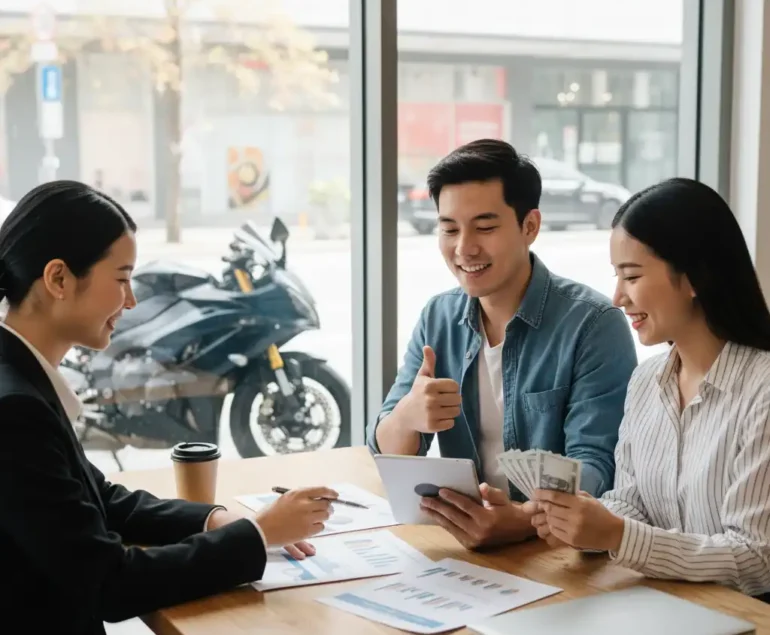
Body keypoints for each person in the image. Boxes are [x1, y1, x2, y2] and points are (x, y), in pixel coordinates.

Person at [0, 181, 338, 634]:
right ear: (59, 279)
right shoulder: (16, 410)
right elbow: (110, 582)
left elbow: (99, 499)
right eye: (121, 279)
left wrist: (215, 518)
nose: (131, 300)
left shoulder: (22, 377)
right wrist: (257, 538)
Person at [367, 139, 637, 550]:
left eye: (485, 227)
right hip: (466, 546)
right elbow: (388, 453)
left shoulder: (594, 324)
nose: (464, 248)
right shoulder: (438, 317)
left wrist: (524, 520)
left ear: (530, 226)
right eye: (449, 229)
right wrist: (407, 416)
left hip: (556, 550)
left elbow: (598, 470)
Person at [530, 177, 770, 597]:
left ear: (695, 276)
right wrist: (581, 522)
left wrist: (619, 536)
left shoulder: (762, 389)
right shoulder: (646, 381)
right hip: (662, 605)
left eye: (632, 276)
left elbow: (754, 560)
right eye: (617, 276)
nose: (618, 297)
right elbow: (632, 503)